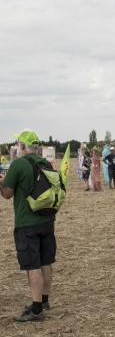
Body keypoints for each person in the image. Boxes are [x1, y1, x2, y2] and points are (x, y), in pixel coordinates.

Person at [0, 129, 56, 321]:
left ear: (23, 146)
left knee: (32, 265)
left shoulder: (18, 164)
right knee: (45, 261)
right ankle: (45, 300)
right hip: (47, 220)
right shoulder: (46, 163)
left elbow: (7, 193)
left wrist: (2, 183)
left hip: (27, 222)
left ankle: (36, 309)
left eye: (18, 143)